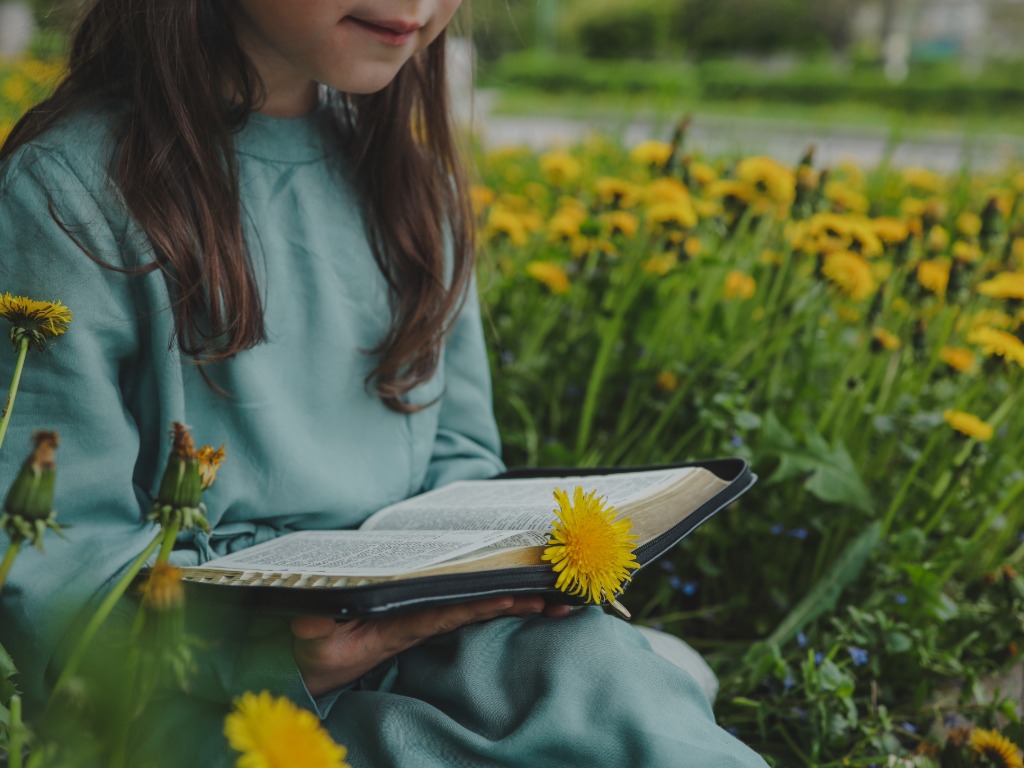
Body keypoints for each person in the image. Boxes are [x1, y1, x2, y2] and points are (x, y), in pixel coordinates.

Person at [0, 2, 769, 766]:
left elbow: (459, 459)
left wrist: (497, 573)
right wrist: (282, 656)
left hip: (419, 630)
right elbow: (54, 574)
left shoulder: (408, 183)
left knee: (606, 678)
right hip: (196, 687)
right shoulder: (68, 195)